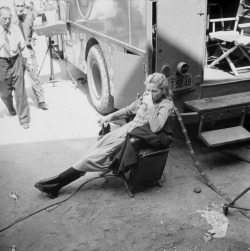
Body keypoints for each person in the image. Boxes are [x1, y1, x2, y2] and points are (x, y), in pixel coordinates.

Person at [34, 73, 174, 198]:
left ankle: (57, 184)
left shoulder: (165, 105)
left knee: (91, 158)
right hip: (124, 131)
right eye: (148, 89)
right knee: (94, 150)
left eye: (154, 91)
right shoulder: (147, 97)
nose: (149, 93)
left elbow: (156, 128)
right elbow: (129, 110)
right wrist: (110, 116)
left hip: (134, 138)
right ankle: (58, 182)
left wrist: (151, 106)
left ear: (163, 91)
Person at [0, 6, 34, 129]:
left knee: (20, 91)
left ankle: (24, 118)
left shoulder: (15, 29)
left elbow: (23, 47)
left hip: (15, 61)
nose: (7, 21)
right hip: (1, 64)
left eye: (9, 18)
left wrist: (29, 62)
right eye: (4, 18)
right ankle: (10, 107)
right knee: (5, 94)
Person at [12, 0, 48, 110]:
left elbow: (35, 14)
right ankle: (19, 105)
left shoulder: (29, 16)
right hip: (16, 54)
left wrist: (31, 39)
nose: (20, 8)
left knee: (34, 76)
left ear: (25, 6)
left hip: (28, 51)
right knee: (18, 80)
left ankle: (41, 101)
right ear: (14, 6)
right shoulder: (9, 20)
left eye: (22, 6)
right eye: (17, 6)